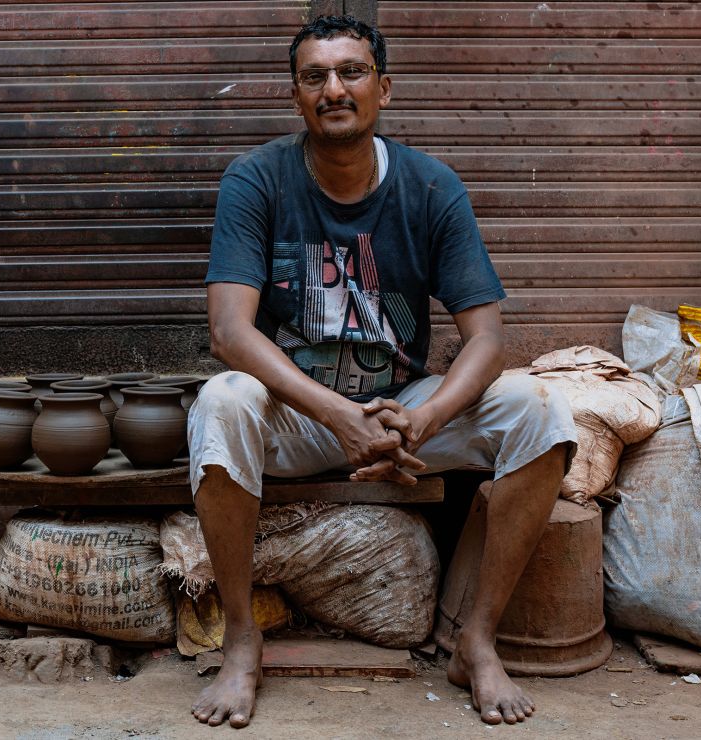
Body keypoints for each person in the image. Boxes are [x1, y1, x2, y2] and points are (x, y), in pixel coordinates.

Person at [186, 15, 578, 729]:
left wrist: (425, 416)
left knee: (538, 405)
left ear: (384, 89)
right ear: (297, 96)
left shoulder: (430, 187)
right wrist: (336, 414)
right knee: (222, 401)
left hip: (403, 414)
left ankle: (477, 641)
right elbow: (229, 331)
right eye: (315, 77)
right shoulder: (257, 180)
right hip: (302, 417)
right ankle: (242, 642)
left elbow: (487, 338)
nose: (334, 89)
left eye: (351, 73)